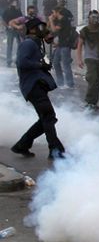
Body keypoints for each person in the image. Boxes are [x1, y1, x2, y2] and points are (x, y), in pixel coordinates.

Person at [11, 18, 65, 160]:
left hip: (36, 85)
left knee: (46, 118)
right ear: (33, 29)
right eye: (41, 27)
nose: (43, 29)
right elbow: (22, 62)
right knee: (48, 116)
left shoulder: (35, 43)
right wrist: (40, 65)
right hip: (33, 86)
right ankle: (55, 150)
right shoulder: (28, 43)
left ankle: (22, 145)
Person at [48, 7, 75, 89]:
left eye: (53, 12)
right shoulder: (61, 20)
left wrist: (51, 20)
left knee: (65, 64)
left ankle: (70, 83)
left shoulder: (63, 20)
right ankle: (60, 82)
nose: (52, 15)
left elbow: (54, 30)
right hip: (61, 45)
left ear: (57, 12)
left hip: (65, 45)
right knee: (55, 62)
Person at [2, 0, 23, 67]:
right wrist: (7, 26)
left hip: (17, 29)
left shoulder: (18, 10)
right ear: (11, 3)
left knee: (20, 45)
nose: (15, 3)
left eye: (16, 2)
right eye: (14, 2)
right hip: (10, 30)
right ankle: (9, 60)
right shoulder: (7, 11)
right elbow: (3, 20)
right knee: (10, 45)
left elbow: (21, 19)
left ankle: (18, 59)